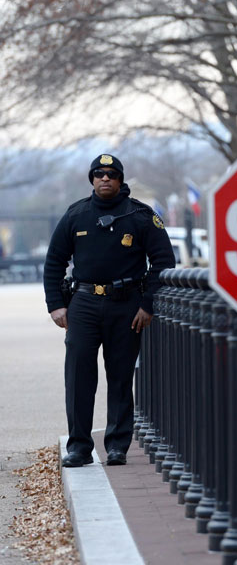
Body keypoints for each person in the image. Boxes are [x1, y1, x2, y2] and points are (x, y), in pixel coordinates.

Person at [43, 154, 176, 467]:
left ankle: (117, 445)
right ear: (92, 179)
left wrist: (148, 305)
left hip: (127, 305)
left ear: (120, 180)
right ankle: (79, 447)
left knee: (119, 376)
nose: (105, 179)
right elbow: (54, 262)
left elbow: (164, 263)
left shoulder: (141, 216)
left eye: (111, 174)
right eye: (99, 174)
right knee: (78, 377)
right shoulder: (76, 215)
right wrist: (56, 305)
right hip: (84, 304)